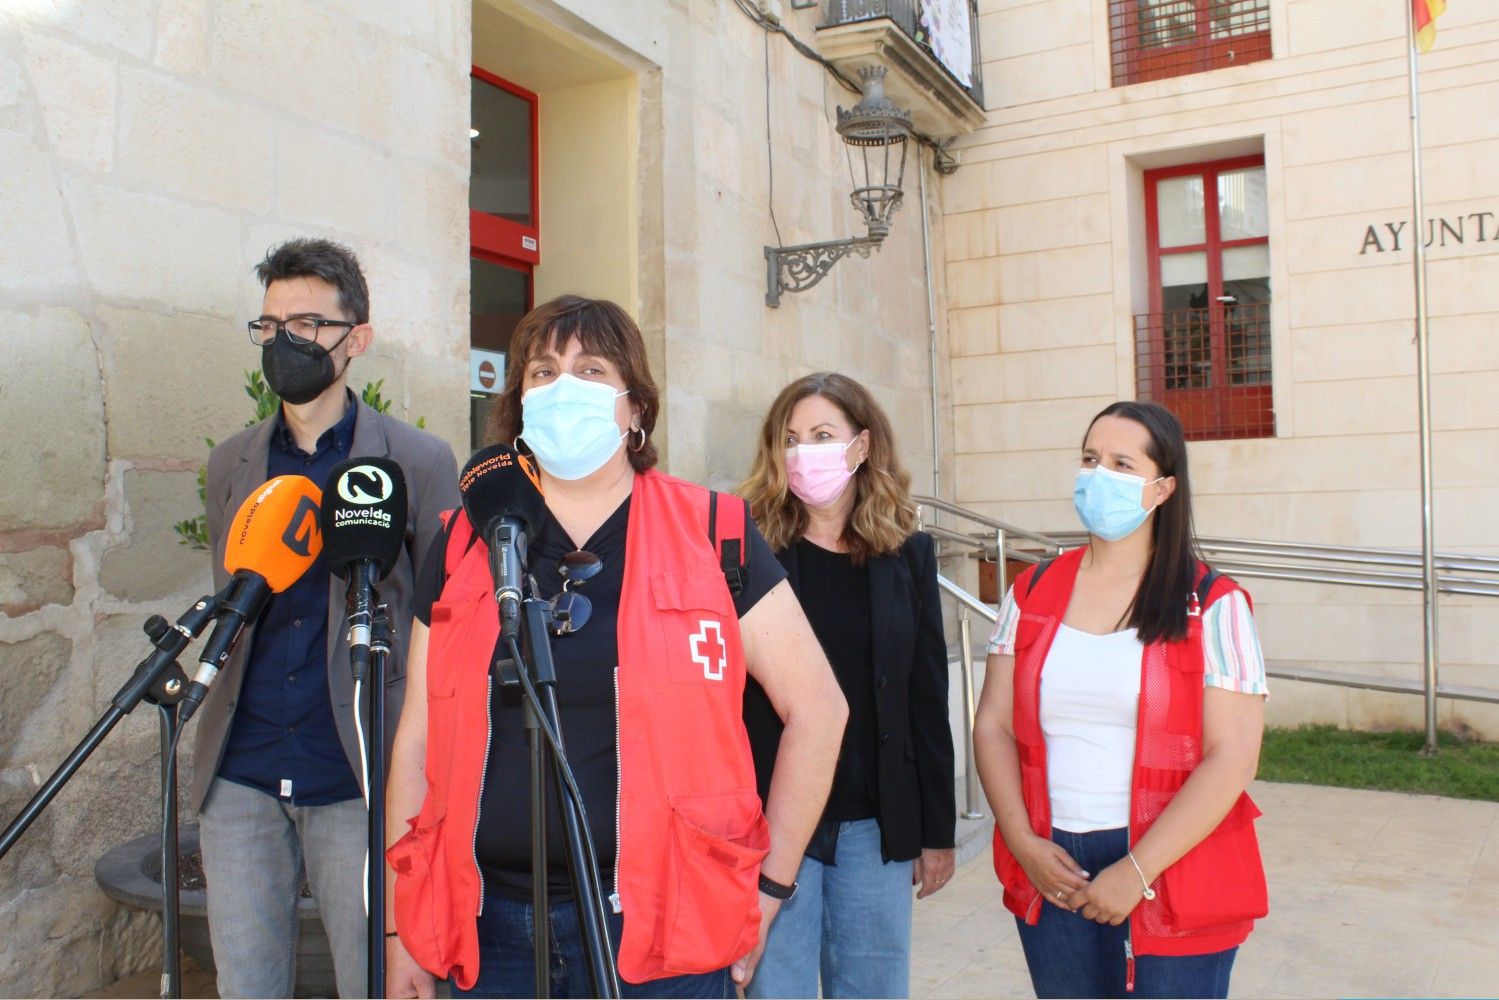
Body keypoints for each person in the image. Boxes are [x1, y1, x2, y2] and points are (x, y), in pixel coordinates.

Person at [384, 295, 848, 999]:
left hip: (667, 933)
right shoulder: (462, 542)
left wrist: (770, 889)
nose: (563, 388)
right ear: (519, 402)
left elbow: (818, 709)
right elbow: (417, 738)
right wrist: (401, 930)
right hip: (486, 932)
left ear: (636, 409)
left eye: (592, 369)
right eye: (543, 372)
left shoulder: (714, 532)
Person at [192, 237, 460, 998]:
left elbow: (444, 619)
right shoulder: (232, 462)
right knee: (246, 984)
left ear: (356, 339)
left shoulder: (418, 461)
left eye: (307, 325)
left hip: (357, 772)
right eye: (271, 326)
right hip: (240, 769)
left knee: (376, 980)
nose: (286, 342)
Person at [972, 400, 1268, 999]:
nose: (1097, 475)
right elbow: (993, 726)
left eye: (1121, 464)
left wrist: (1137, 870)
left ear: (1163, 488)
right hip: (1053, 862)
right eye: (1090, 459)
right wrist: (1022, 841)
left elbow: (1234, 756)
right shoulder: (1030, 591)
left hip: (1172, 862)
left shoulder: (1213, 604)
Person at [738, 372, 956, 999]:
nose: (802, 452)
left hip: (873, 824)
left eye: (821, 435)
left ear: (861, 445)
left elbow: (925, 697)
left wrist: (935, 831)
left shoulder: (907, 554)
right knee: (774, 987)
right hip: (774, 822)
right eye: (790, 439)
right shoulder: (748, 552)